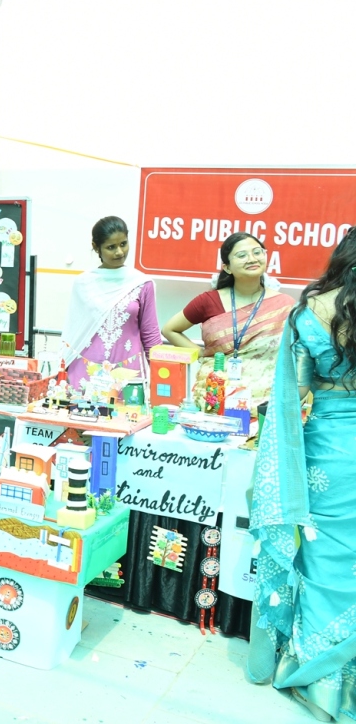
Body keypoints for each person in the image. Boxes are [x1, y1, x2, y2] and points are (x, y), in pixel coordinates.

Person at [247, 227, 356, 722]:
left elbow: (295, 392)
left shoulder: (311, 310)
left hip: (326, 454)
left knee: (322, 561)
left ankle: (319, 673)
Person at [162, 232, 294, 403]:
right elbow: (170, 330)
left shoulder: (284, 305)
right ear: (227, 267)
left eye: (257, 252)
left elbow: (296, 352)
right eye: (242, 255)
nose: (252, 259)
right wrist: (202, 354)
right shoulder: (209, 301)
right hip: (215, 395)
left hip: (265, 400)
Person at [61, 217, 162, 390]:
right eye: (111, 247)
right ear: (96, 247)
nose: (119, 252)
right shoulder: (83, 283)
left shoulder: (142, 283)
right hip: (85, 373)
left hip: (129, 375)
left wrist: (161, 377)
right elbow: (72, 332)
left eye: (123, 244)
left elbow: (151, 335)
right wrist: (61, 371)